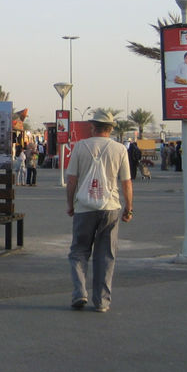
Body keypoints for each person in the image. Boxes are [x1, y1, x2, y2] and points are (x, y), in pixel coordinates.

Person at [65, 110, 133, 313]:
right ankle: (102, 301)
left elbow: (71, 180)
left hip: (84, 208)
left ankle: (79, 293)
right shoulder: (120, 149)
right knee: (106, 255)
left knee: (78, 251)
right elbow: (126, 183)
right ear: (111, 129)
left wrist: (70, 204)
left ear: (93, 127)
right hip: (110, 208)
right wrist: (129, 208)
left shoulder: (79, 147)